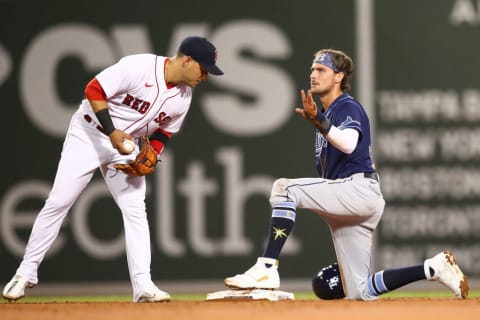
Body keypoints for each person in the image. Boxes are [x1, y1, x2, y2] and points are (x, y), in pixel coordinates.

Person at [224, 49, 469, 300]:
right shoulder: (327, 116)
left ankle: (266, 267)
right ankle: (434, 268)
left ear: (339, 76)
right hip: (352, 200)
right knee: (360, 291)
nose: (313, 74)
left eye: (321, 70)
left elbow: (350, 144)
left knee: (284, 189)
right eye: (312, 70)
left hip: (358, 190)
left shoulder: (346, 106)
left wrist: (320, 121)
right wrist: (320, 121)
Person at [2, 36, 224, 302]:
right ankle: (24, 274)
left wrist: (152, 152)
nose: (206, 77)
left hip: (126, 147)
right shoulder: (139, 67)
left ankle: (143, 286)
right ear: (187, 60)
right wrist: (111, 132)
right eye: (204, 69)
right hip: (90, 134)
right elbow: (94, 89)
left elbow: (165, 130)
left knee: (135, 210)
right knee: (60, 201)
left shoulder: (183, 97)